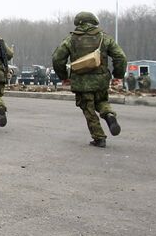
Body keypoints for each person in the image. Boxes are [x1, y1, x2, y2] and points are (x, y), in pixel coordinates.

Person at [52, 11, 128, 148]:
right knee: (101, 101)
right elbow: (120, 57)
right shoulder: (104, 38)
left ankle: (99, 138)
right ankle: (109, 115)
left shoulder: (71, 39)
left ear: (78, 23)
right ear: (94, 22)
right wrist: (118, 75)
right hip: (101, 80)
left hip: (81, 82)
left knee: (88, 109)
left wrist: (64, 77)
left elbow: (57, 58)